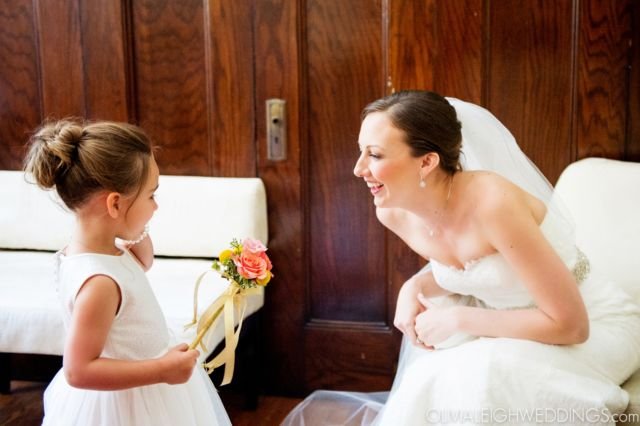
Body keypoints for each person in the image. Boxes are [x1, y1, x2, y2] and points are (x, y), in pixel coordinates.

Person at [283, 91, 640, 425]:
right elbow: (473, 268)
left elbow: (571, 326)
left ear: (427, 162)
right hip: (513, 331)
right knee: (431, 377)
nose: (358, 168)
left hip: (593, 327)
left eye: (374, 155)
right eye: (360, 151)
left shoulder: (493, 203)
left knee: (482, 375)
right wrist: (413, 286)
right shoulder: (394, 212)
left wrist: (459, 318)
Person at [24, 119, 231, 426]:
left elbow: (143, 262)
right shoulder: (99, 283)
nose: (156, 207)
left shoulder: (105, 250)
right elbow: (78, 370)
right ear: (115, 203)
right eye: (151, 195)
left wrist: (131, 222)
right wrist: (161, 369)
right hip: (127, 406)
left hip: (149, 387)